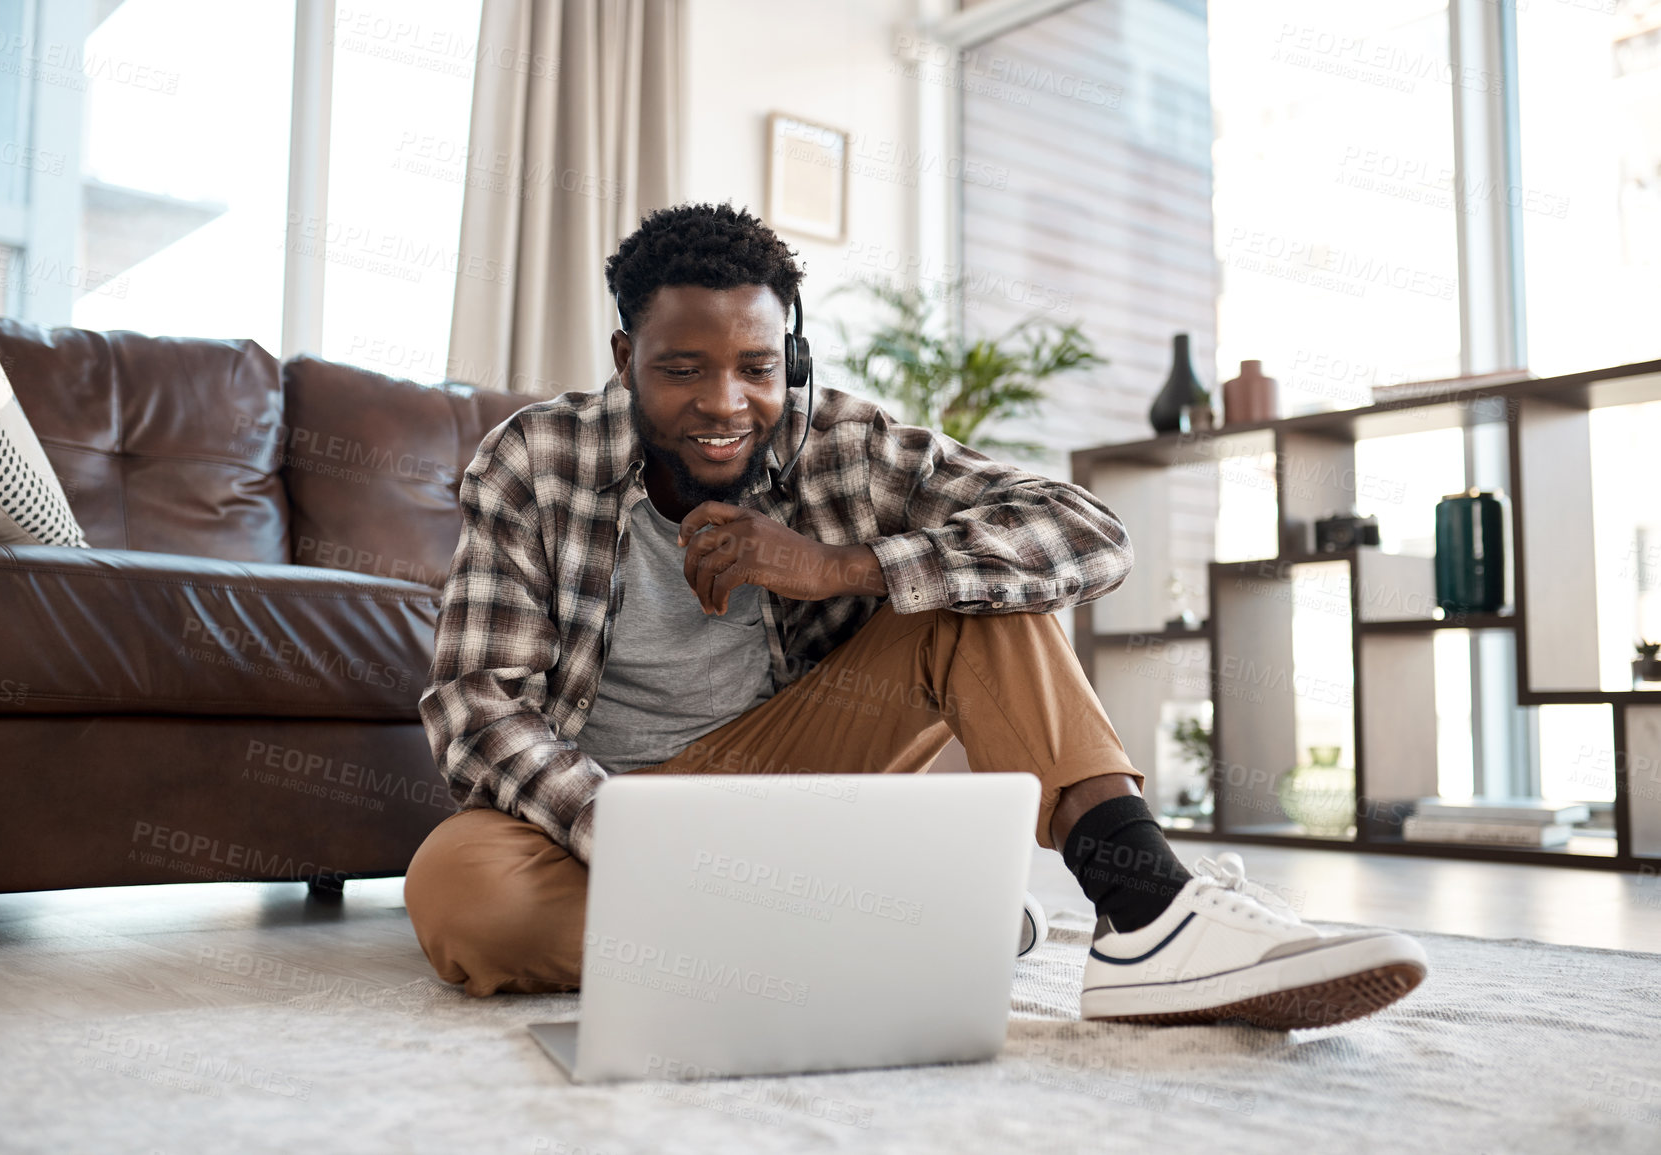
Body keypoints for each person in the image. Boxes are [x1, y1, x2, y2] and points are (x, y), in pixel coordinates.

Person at [405, 202, 1428, 1029]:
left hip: (792, 774)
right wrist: (624, 825)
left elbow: (1087, 534)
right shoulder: (533, 459)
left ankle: (1149, 915)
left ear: (789, 357)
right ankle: (912, 920)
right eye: (683, 369)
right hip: (609, 805)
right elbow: (478, 707)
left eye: (757, 368)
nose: (726, 402)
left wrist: (842, 565)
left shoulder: (845, 444)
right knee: (466, 900)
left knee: (970, 597)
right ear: (627, 356)